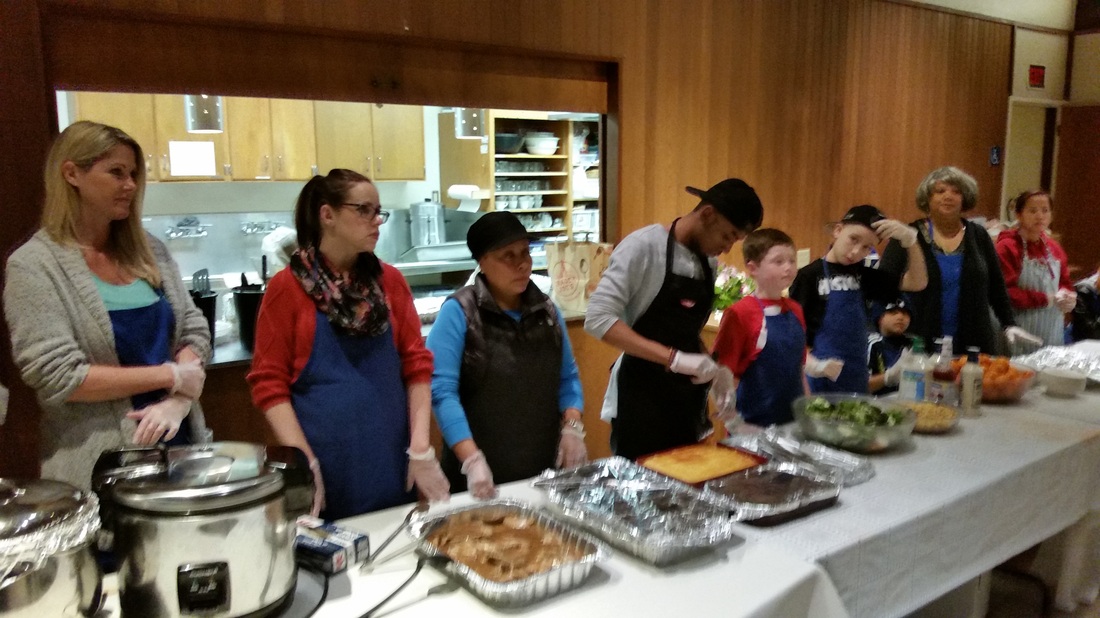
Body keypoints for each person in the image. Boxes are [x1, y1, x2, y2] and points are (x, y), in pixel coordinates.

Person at [3, 121, 211, 490]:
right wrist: (171, 377)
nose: (130, 185)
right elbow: (59, 376)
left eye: (133, 174)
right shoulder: (34, 266)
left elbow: (193, 330)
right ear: (72, 174)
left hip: (180, 447)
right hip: (99, 466)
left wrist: (179, 400)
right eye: (116, 172)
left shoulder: (150, 250)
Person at [247, 169, 449, 519]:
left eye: (378, 211)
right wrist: (304, 462)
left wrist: (420, 446)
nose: (376, 221)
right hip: (324, 461)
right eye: (363, 210)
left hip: (391, 456)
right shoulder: (287, 288)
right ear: (328, 215)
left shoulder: (390, 282)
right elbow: (268, 384)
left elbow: (417, 366)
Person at [584, 178, 762, 460]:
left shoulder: (707, 261)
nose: (727, 248)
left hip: (686, 402)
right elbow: (597, 318)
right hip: (640, 398)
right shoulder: (643, 247)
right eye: (727, 236)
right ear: (707, 214)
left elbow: (685, 330)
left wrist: (715, 371)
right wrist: (673, 359)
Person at [426, 212, 586, 499]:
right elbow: (441, 392)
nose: (522, 264)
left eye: (525, 252)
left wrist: (572, 427)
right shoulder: (459, 312)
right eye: (507, 256)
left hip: (541, 470)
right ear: (482, 261)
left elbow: (568, 378)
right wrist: (471, 459)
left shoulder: (547, 311)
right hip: (478, 478)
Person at [880, 167, 1041, 355]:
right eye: (940, 191)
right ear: (927, 198)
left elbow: (996, 285)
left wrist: (1009, 323)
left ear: (965, 198)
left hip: (973, 342)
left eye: (956, 192)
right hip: (918, 341)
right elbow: (883, 285)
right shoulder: (907, 236)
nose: (948, 196)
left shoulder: (979, 235)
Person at [789, 205, 927, 393]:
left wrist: (911, 241)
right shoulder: (809, 276)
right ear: (838, 230)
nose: (855, 252)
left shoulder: (865, 276)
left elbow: (918, 282)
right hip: (819, 378)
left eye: (866, 247)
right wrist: (814, 366)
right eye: (853, 239)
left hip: (856, 378)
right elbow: (793, 334)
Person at [713, 229, 806, 427]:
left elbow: (800, 368)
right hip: (753, 424)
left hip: (792, 422)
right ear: (753, 268)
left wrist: (808, 409)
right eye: (778, 262)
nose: (788, 267)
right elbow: (721, 372)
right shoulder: (740, 314)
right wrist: (734, 423)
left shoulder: (796, 310)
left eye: (792, 261)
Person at [995, 190, 1076, 354]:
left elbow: (1065, 283)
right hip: (1018, 328)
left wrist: (1068, 297)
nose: (1040, 216)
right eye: (1033, 211)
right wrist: (1046, 298)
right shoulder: (1006, 247)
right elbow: (1004, 292)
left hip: (1052, 331)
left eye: (1045, 211)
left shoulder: (1054, 248)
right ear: (1019, 215)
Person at [867, 298, 914, 395]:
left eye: (905, 313)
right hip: (876, 401)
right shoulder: (872, 344)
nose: (900, 317)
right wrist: (888, 377)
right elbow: (860, 387)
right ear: (880, 318)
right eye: (893, 312)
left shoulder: (913, 344)